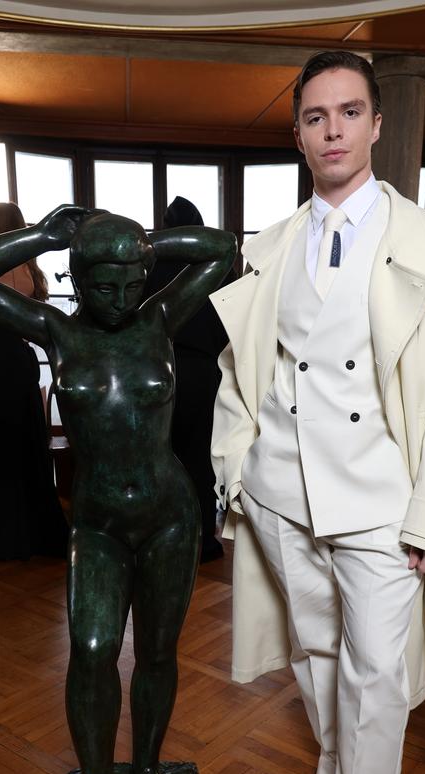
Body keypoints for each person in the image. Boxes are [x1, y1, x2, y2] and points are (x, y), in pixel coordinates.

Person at [210, 51, 425, 774]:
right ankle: (328, 771)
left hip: (382, 507)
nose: (332, 129)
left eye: (349, 112)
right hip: (284, 497)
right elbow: (241, 372)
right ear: (298, 133)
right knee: (316, 653)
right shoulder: (269, 246)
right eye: (315, 116)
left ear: (374, 126)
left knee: (377, 681)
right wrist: (239, 473)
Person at [0, 205, 236, 774]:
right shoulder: (56, 329)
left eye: (132, 282)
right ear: (76, 279)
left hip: (169, 515)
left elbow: (221, 251)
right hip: (100, 522)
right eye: (103, 285)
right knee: (95, 647)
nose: (120, 298)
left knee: (159, 653)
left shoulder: (161, 317)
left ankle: (147, 773)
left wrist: (139, 241)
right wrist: (48, 236)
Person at [0, 202, 69, 561]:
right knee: (30, 448)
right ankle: (43, 534)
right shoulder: (28, 266)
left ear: (0, 227)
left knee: (6, 451)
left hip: (2, 360)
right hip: (23, 359)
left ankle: (13, 542)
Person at [145, 195, 230, 562]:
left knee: (160, 457)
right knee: (200, 456)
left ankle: (162, 539)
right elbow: (232, 322)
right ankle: (202, 540)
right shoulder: (216, 264)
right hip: (204, 370)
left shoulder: (150, 264)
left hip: (157, 369)